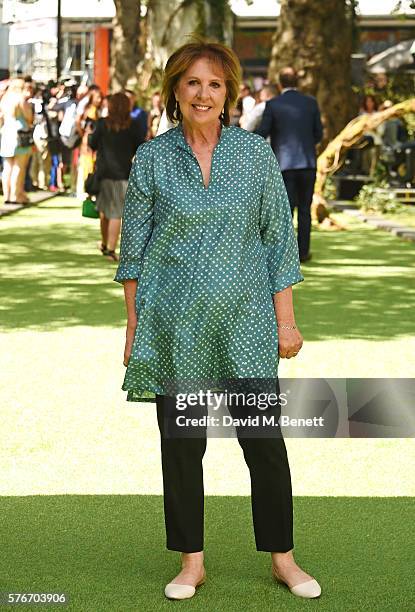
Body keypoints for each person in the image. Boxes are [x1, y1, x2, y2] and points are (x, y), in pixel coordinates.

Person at [114, 39, 322, 602]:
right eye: (191, 83)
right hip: (174, 327)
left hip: (247, 325)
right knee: (182, 448)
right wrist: (135, 327)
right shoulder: (153, 159)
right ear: (175, 93)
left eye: (213, 84)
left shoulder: (255, 156)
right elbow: (132, 250)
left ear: (228, 92)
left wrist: (286, 322)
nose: (203, 93)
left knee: (264, 444)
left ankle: (283, 558)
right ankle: (191, 562)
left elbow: (279, 243)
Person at [256, 67, 323, 263]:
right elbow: (318, 133)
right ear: (298, 82)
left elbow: (262, 132)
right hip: (307, 163)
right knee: (305, 209)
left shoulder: (273, 104)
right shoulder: (311, 103)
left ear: (280, 84)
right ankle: (303, 252)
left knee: (284, 211)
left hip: (284, 164)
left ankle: (285, 253)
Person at [88, 92, 147, 261]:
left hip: (103, 173)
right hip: (124, 174)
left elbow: (92, 143)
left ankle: (106, 244)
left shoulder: (101, 124)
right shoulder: (133, 125)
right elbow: (140, 146)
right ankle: (111, 250)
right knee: (116, 213)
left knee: (105, 211)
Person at [0, 78, 33, 204]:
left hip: (6, 132)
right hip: (20, 134)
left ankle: (7, 195)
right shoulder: (20, 99)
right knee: (19, 167)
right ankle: (16, 194)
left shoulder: (4, 99)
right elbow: (29, 117)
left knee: (7, 166)